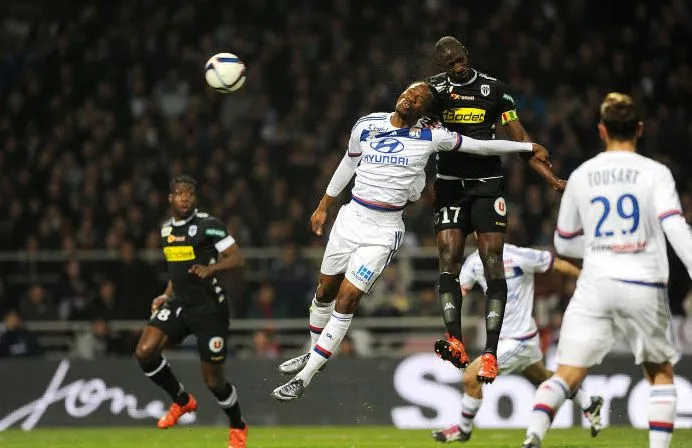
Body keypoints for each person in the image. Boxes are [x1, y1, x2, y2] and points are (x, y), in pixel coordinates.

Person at [271, 81, 551, 401]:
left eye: (419, 97)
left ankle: (304, 378)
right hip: (350, 218)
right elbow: (349, 162)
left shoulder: (431, 136)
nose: (411, 96)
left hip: (383, 230)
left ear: (423, 110)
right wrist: (324, 204)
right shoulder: (367, 124)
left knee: (347, 298)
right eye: (409, 91)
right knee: (324, 292)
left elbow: (482, 146)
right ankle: (314, 353)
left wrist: (526, 147)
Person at [521, 93, 692, 448]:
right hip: (643, 280)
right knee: (659, 371)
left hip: (595, 282)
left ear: (601, 130)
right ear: (640, 129)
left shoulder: (582, 175)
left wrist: (601, 248)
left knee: (566, 375)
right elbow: (675, 226)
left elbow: (565, 242)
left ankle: (533, 435)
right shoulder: (655, 172)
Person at [426, 36, 566, 383]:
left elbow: (520, 139)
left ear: (467, 55)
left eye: (458, 60)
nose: (455, 68)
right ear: (440, 67)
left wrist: (552, 180)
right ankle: (455, 340)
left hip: (488, 186)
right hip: (449, 185)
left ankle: (490, 354)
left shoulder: (496, 91)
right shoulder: (432, 92)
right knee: (449, 264)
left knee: (493, 265)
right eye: (448, 65)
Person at [431, 241, 603, 443]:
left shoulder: (520, 256)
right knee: (545, 379)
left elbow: (556, 263)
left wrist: (588, 279)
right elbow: (460, 291)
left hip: (518, 340)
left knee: (471, 377)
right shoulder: (474, 262)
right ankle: (589, 403)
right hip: (513, 338)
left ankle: (463, 428)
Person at [133, 175, 248, 448]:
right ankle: (183, 402)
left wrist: (211, 268)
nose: (184, 198)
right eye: (179, 193)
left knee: (213, 381)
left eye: (189, 194)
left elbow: (236, 257)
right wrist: (166, 294)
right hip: (180, 303)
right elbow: (178, 270)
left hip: (210, 308)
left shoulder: (208, 226)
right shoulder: (165, 232)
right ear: (170, 198)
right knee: (145, 352)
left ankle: (238, 426)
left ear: (195, 198)